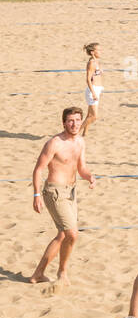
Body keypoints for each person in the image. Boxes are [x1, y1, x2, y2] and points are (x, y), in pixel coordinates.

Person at [29, 106, 95, 285]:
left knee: (63, 235)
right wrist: (36, 195)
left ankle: (38, 274)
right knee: (72, 234)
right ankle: (62, 272)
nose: (74, 124)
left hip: (71, 191)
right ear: (64, 123)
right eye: (70, 121)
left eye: (77, 120)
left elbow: (81, 168)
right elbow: (38, 170)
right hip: (54, 192)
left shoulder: (80, 142)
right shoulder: (55, 143)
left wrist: (89, 177)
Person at [80, 41, 104, 137]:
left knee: (89, 115)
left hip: (96, 90)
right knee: (94, 116)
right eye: (99, 50)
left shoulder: (96, 61)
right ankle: (75, 133)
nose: (101, 52)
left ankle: (84, 133)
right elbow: (88, 79)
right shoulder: (91, 63)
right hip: (92, 90)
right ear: (93, 52)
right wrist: (93, 93)